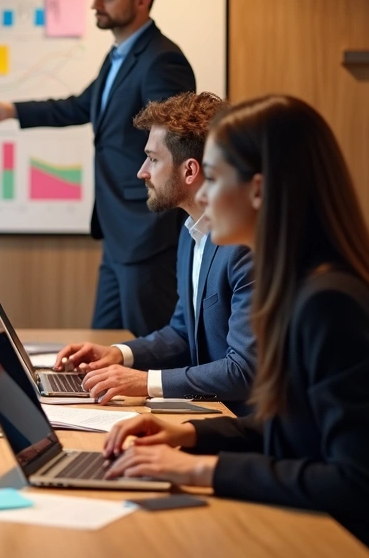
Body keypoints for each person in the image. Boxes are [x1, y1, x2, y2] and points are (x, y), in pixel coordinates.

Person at [100, 95, 369, 558]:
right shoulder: (303, 286)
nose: (203, 197)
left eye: (214, 178)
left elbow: (360, 484)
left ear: (258, 191)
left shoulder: (330, 303)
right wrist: (188, 433)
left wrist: (202, 468)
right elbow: (298, 426)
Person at [0, 0, 195, 335]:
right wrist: (13, 110)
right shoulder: (119, 56)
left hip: (145, 233)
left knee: (152, 348)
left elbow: (175, 142)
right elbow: (81, 106)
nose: (95, 4)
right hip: (117, 233)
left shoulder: (161, 60)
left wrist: (153, 222)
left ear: (142, 0)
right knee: (102, 342)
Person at [53, 92, 257, 414]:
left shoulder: (244, 247)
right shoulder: (190, 231)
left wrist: (146, 382)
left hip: (244, 427)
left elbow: (244, 370)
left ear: (190, 171)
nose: (142, 172)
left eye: (153, 159)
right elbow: (181, 332)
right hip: (213, 414)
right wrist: (119, 354)